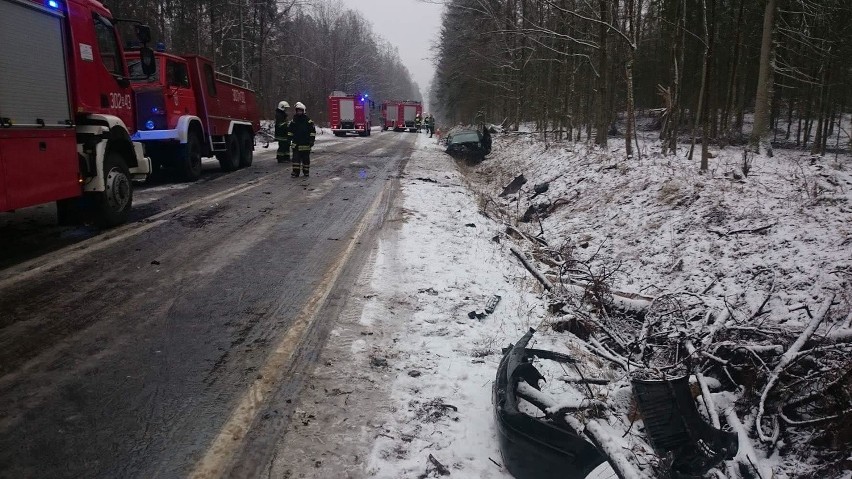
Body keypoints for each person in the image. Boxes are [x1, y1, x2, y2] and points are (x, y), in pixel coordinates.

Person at [287, 102, 316, 177]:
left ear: (303, 111)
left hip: (306, 144)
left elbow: (312, 131)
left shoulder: (308, 121)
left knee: (306, 160)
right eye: (298, 111)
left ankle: (306, 171)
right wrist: (289, 139)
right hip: (296, 143)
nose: (299, 112)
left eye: (300, 111)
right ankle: (295, 172)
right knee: (295, 160)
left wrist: (311, 140)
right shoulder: (294, 120)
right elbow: (290, 131)